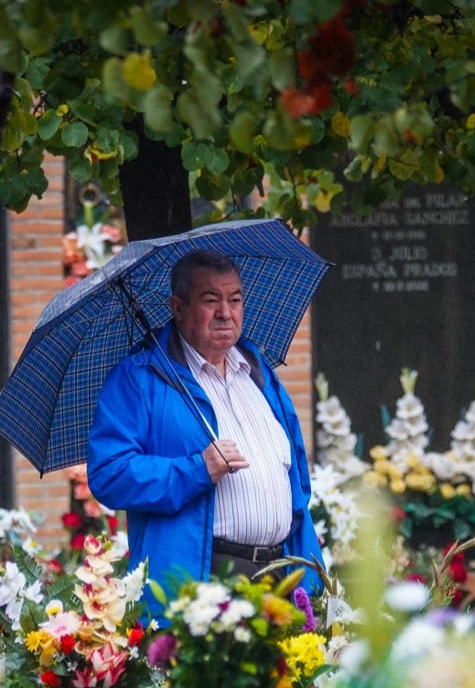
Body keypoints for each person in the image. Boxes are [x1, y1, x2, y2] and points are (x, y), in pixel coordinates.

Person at [86, 249, 323, 607]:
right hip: (201, 584)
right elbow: (110, 473)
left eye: (235, 299)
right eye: (210, 300)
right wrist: (197, 469)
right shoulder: (141, 377)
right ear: (177, 308)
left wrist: (313, 580)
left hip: (280, 579)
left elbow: (296, 487)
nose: (225, 313)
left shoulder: (259, 373)